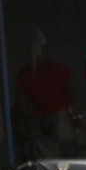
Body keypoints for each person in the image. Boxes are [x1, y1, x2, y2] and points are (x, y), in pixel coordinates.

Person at [16, 25, 78, 158]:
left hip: (40, 124)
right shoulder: (58, 69)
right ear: (44, 49)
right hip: (62, 121)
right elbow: (71, 96)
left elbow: (24, 109)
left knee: (48, 166)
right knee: (68, 165)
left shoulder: (23, 75)